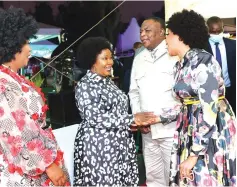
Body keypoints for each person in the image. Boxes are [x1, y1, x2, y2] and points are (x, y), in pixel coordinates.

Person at [0, 7, 70, 186]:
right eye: (26, 43)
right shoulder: (3, 84)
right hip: (26, 171)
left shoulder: (11, 78)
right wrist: (46, 164)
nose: (30, 49)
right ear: (12, 45)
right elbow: (16, 133)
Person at [165, 9, 236, 186]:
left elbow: (210, 110)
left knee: (204, 178)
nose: (166, 39)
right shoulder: (180, 65)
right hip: (190, 131)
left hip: (209, 134)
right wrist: (158, 117)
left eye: (169, 34)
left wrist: (194, 153)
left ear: (180, 36)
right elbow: (186, 105)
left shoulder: (204, 62)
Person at [73, 36, 156, 186]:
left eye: (111, 58)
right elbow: (95, 118)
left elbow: (116, 112)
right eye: (105, 58)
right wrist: (131, 119)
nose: (110, 62)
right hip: (99, 148)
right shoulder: (85, 85)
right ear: (92, 60)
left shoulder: (107, 82)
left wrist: (131, 124)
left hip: (119, 146)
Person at [129, 17, 181, 187]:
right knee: (153, 178)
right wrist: (138, 116)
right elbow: (134, 92)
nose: (142, 34)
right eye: (141, 31)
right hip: (148, 132)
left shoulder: (175, 56)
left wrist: (161, 118)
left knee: (175, 176)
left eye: (147, 30)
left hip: (171, 131)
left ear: (161, 32)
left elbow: (183, 96)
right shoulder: (139, 58)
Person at [205, 16, 236, 113]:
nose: (216, 34)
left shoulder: (233, 45)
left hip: (230, 89)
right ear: (208, 30)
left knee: (232, 117)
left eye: (218, 31)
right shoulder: (202, 46)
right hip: (210, 92)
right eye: (213, 32)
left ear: (223, 29)